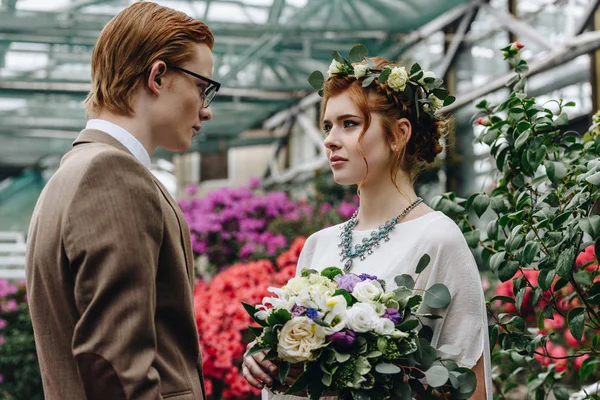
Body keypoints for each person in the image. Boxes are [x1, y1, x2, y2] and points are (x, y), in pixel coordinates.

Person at [242, 54, 492, 399]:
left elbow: (469, 384)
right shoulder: (318, 244)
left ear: (399, 134)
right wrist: (269, 359)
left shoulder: (437, 239)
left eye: (349, 123)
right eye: (327, 126)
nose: (329, 140)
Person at [25, 3, 218, 399]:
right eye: (202, 87)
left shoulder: (72, 172)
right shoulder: (112, 174)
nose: (207, 110)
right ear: (158, 76)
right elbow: (114, 365)